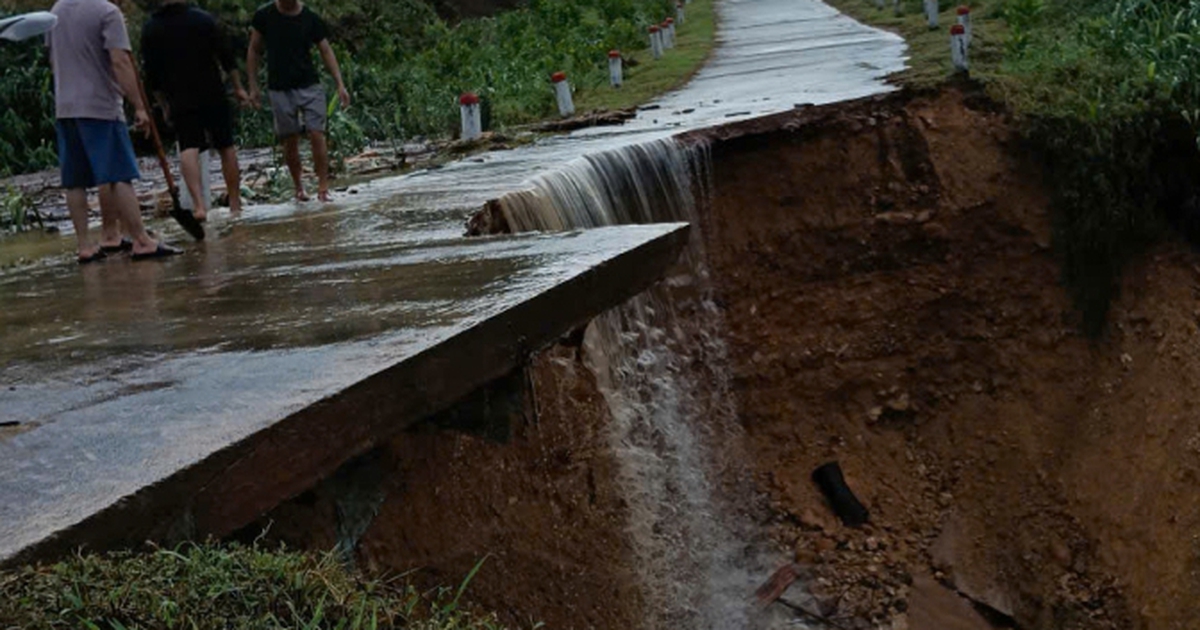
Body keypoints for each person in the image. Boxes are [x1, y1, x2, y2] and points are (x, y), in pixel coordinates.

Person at [48, 0, 179, 262]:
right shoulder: (106, 12)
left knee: (75, 180)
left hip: (66, 107)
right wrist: (139, 106)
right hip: (100, 106)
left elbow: (53, 59)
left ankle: (85, 246)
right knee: (120, 173)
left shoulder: (56, 11)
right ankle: (142, 240)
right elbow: (119, 61)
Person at [141, 0, 248, 221]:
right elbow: (226, 58)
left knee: (188, 147)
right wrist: (238, 88)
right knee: (226, 146)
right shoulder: (203, 19)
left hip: (179, 96)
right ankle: (235, 204)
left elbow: (151, 76)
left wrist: (163, 106)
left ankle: (199, 206)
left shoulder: (151, 29)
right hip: (212, 91)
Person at [246, 0, 350, 203]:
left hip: (309, 84)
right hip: (279, 87)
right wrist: (253, 86)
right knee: (290, 138)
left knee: (316, 133)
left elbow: (325, 50)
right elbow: (254, 50)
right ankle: (299, 188)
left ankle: (323, 187)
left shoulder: (310, 18)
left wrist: (340, 84)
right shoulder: (264, 16)